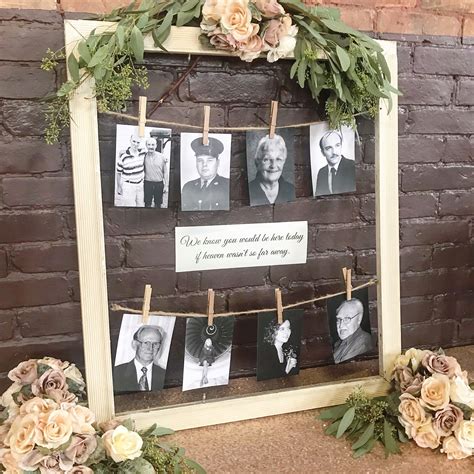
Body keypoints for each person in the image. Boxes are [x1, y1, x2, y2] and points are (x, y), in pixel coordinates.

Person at [181, 137, 230, 211]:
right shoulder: (188, 187)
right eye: (200, 160)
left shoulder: (227, 185)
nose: (204, 165)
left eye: (209, 160)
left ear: (217, 163)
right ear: (196, 164)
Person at [113, 325, 166, 393]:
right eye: (146, 343)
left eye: (155, 344)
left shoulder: (164, 374)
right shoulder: (116, 373)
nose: (150, 348)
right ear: (135, 344)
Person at [248, 134, 295, 206]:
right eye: (267, 159)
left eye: (278, 159)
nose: (273, 165)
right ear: (258, 162)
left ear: (284, 161)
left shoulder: (291, 190)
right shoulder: (249, 191)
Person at [315, 129, 355, 196]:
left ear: (341, 146)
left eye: (337, 145)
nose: (334, 152)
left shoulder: (352, 166)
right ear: (322, 152)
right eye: (328, 148)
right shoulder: (321, 172)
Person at [333, 298, 373, 364]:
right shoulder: (338, 343)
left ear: (359, 320)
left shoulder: (362, 342)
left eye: (347, 319)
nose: (341, 325)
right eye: (339, 319)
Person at [116, 134, 146, 207]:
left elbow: (152, 153)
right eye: (134, 141)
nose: (135, 144)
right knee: (130, 207)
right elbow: (118, 173)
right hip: (129, 186)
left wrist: (164, 158)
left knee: (141, 206)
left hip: (140, 185)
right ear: (130, 140)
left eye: (138, 142)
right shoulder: (123, 157)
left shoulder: (143, 152)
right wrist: (119, 186)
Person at [144, 137, 168, 208]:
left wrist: (166, 185)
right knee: (147, 204)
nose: (151, 147)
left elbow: (165, 172)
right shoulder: (143, 156)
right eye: (149, 144)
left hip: (159, 184)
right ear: (146, 145)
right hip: (147, 183)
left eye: (153, 145)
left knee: (158, 204)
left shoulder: (162, 157)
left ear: (156, 145)